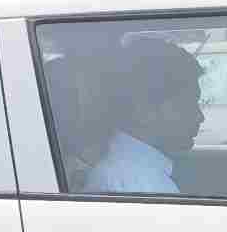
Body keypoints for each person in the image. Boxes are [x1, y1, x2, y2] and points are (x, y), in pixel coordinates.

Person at [82, 39, 207, 194]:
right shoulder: (141, 183)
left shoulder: (129, 172)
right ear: (144, 111)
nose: (200, 117)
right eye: (187, 105)